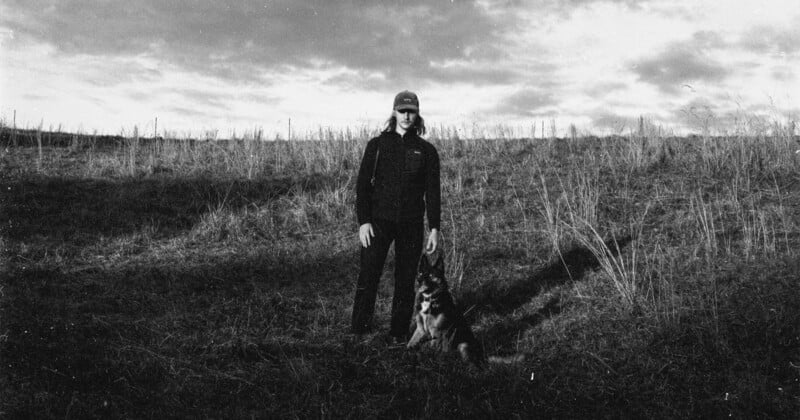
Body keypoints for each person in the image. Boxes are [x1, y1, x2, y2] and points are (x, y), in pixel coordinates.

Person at [351, 90, 441, 344]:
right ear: (394, 112)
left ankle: (398, 334)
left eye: (411, 111)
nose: (406, 116)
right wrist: (364, 221)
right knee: (368, 275)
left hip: (411, 225)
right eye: (402, 111)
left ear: (417, 114)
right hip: (378, 222)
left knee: (405, 280)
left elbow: (432, 192)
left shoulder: (426, 151)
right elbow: (362, 186)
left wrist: (434, 227)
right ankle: (359, 331)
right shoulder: (377, 146)